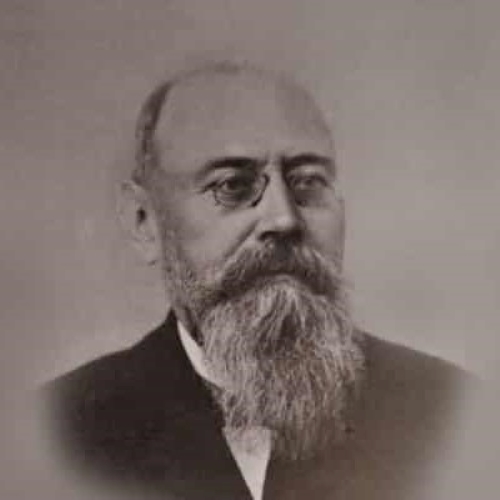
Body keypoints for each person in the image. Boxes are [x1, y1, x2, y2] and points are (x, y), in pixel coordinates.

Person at [45, 62, 471, 500]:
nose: (284, 219)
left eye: (308, 182)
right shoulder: (63, 429)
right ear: (144, 221)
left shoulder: (449, 412)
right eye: (232, 185)